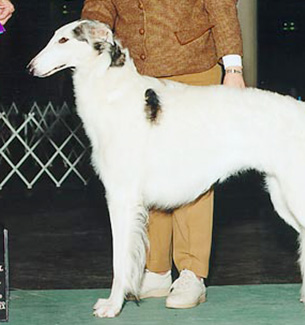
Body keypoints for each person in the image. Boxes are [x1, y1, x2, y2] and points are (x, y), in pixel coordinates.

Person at [81, 0, 245, 309]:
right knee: (145, 171)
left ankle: (191, 272)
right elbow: (99, 5)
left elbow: (221, 6)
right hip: (137, 74)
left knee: (193, 171)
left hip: (193, 68)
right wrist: (93, 31)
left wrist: (233, 67)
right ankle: (156, 270)